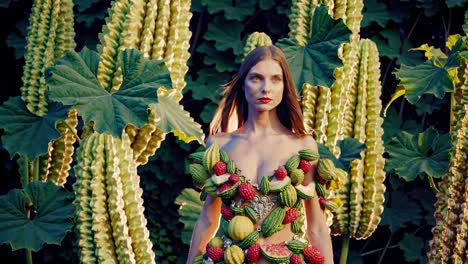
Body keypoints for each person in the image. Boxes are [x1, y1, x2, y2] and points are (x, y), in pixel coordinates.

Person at [187, 45, 333, 263]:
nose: (266, 88)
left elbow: (317, 227)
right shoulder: (218, 146)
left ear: (285, 87)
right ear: (243, 84)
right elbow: (208, 219)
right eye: (256, 78)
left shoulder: (303, 146)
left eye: (276, 79)